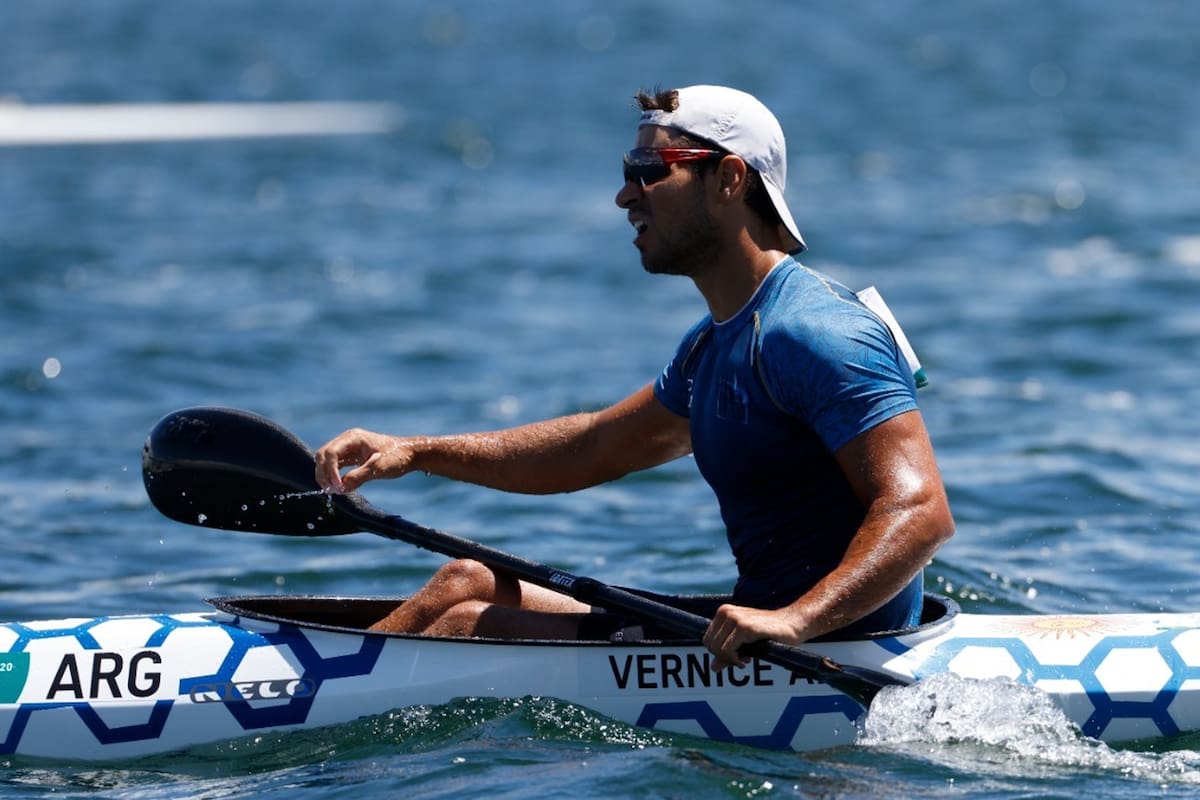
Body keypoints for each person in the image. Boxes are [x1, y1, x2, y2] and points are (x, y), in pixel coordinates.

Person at [314, 85, 954, 670]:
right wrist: (416, 451)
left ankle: (324, 733)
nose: (625, 196)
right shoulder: (713, 345)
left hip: (827, 645)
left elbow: (921, 511)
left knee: (465, 626)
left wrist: (795, 620)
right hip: (759, 627)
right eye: (628, 172)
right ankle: (332, 684)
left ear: (729, 178)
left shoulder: (813, 333)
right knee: (465, 582)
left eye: (650, 171)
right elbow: (592, 446)